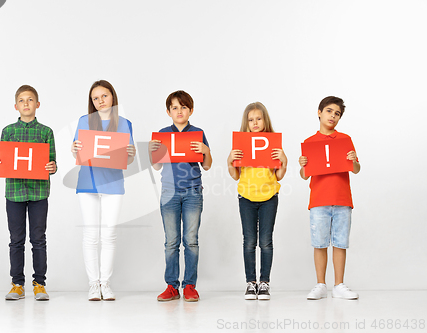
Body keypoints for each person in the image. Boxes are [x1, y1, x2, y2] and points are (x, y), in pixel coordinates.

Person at [71, 80, 136, 301]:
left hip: (113, 183)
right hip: (88, 182)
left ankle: (105, 284)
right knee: (90, 235)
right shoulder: (84, 121)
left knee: (109, 235)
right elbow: (78, 152)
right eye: (95, 98)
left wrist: (131, 152)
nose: (100, 101)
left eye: (104, 96)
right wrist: (74, 149)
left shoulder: (124, 123)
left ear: (112, 97)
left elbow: (128, 157)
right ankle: (93, 284)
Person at [0, 85, 57, 301]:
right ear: (16, 106)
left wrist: (52, 167)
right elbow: (4, 162)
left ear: (37, 105)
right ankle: (17, 284)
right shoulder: (8, 131)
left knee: (38, 239)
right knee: (16, 240)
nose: (26, 103)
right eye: (22, 100)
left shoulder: (46, 132)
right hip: (14, 193)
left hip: (39, 193)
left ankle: (39, 283)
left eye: (30, 100)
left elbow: (52, 162)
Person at [149, 90, 212, 302]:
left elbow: (207, 165)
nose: (179, 111)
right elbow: (157, 166)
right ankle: (171, 286)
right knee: (171, 241)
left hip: (193, 191)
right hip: (169, 193)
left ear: (190, 110)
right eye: (174, 107)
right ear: (168, 111)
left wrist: (205, 150)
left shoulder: (198, 133)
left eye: (183, 107)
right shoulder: (163, 133)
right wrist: (153, 152)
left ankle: (190, 286)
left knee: (191, 241)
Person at [299, 96, 361, 300]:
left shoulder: (345, 140)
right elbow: (305, 175)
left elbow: (356, 169)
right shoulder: (309, 142)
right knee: (319, 243)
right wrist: (303, 165)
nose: (333, 116)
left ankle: (339, 284)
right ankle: (320, 284)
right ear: (319, 112)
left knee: (340, 243)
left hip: (342, 199)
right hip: (319, 200)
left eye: (337, 114)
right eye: (329, 111)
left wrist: (353, 160)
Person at [226, 102, 287, 300]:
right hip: (246, 197)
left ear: (265, 120)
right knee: (249, 241)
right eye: (251, 120)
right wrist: (230, 161)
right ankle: (250, 283)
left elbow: (279, 175)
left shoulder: (272, 143)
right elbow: (235, 175)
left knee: (266, 242)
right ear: (246, 122)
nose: (255, 123)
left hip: (269, 197)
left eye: (258, 118)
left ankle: (265, 283)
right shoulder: (242, 145)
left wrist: (283, 160)